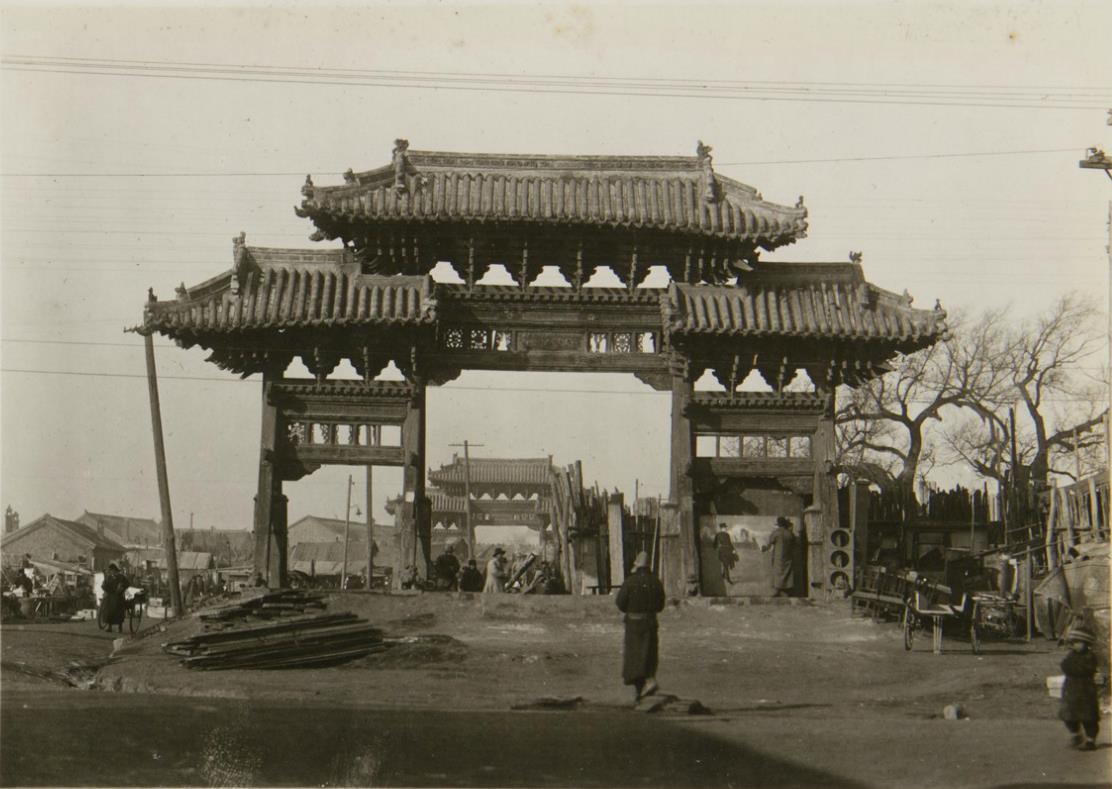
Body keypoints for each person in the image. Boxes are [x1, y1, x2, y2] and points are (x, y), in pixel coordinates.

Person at [616, 550, 666, 704]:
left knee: (634, 657)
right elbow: (660, 605)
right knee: (649, 655)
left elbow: (620, 603)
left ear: (636, 565)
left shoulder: (629, 581)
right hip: (650, 623)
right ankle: (649, 680)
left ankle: (639, 691)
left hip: (633, 624)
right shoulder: (655, 581)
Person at [1059, 624, 1102, 751]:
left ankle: (1090, 740)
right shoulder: (1071, 655)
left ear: (1087, 643)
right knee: (1069, 716)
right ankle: (1076, 734)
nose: (1076, 645)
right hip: (1071, 690)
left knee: (1089, 717)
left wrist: (1072, 669)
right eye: (1074, 643)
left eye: (1079, 642)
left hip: (1086, 690)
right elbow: (1064, 665)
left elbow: (1085, 670)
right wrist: (1069, 668)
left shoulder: (1090, 656)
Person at [762, 516, 796, 597]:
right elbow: (794, 543)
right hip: (788, 556)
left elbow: (769, 545)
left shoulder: (776, 533)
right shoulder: (789, 533)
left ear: (778, 524)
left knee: (778, 573)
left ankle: (778, 590)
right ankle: (786, 590)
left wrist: (764, 548)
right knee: (787, 573)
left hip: (778, 557)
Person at [100, 562, 129, 633]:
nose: (111, 571)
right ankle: (109, 627)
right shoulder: (109, 577)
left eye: (113, 570)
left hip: (118, 596)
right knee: (108, 610)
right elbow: (105, 585)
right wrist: (104, 586)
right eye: (111, 570)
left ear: (116, 570)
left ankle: (120, 627)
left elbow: (127, 584)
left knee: (118, 611)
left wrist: (122, 587)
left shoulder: (121, 577)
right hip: (110, 596)